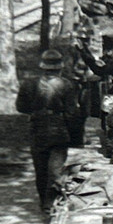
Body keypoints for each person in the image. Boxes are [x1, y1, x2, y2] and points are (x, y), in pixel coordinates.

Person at [16, 49, 81, 211]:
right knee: (55, 169)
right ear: (60, 67)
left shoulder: (29, 84)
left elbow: (21, 107)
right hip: (59, 130)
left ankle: (43, 201)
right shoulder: (67, 85)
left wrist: (36, 111)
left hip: (37, 129)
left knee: (40, 168)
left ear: (43, 67)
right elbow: (72, 112)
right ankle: (50, 202)